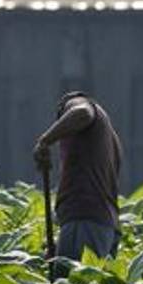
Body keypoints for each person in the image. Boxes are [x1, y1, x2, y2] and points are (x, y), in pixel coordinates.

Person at [33, 91, 123, 260]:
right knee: (87, 283)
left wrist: (45, 140)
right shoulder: (111, 139)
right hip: (106, 226)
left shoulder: (80, 104)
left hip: (84, 219)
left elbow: (82, 113)